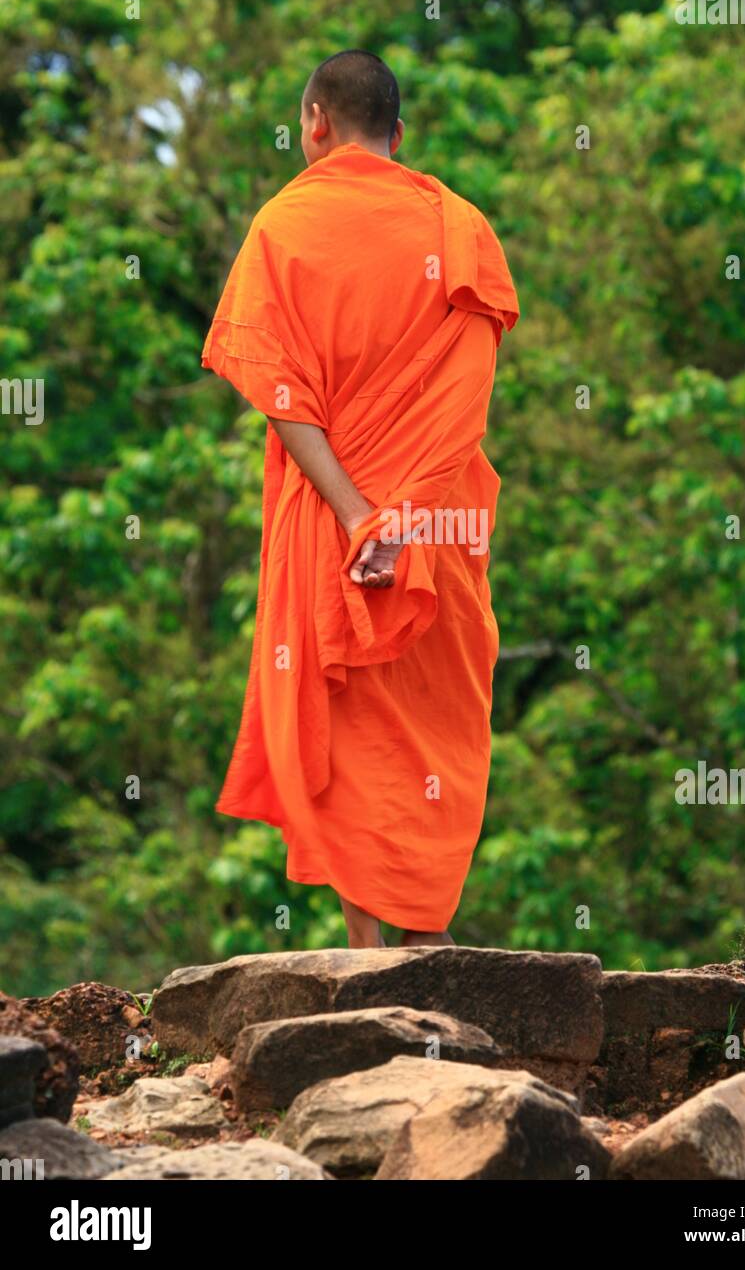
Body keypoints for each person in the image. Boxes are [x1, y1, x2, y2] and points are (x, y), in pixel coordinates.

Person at [201, 50, 519, 949]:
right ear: (399, 134)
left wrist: (356, 515)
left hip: (329, 519)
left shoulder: (282, 227)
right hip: (436, 527)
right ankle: (421, 945)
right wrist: (407, 516)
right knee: (428, 723)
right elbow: (465, 400)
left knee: (341, 721)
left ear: (312, 122)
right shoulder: (458, 226)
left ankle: (372, 954)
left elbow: (278, 394)